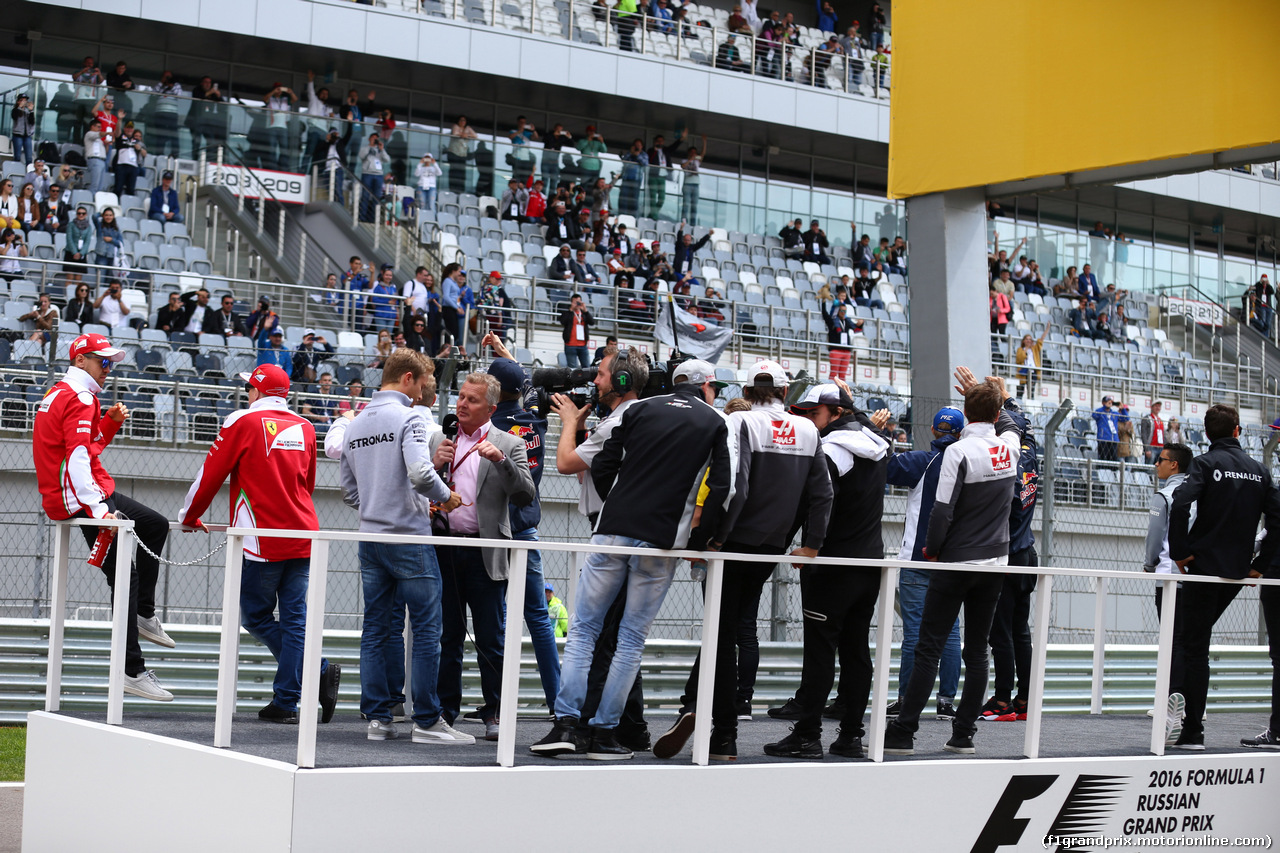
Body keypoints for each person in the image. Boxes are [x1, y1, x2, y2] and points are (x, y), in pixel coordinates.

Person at [532, 359, 732, 760]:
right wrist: (700, 538)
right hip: (662, 541)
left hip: (612, 529)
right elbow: (724, 486)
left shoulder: (642, 408)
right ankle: (605, 734)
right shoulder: (715, 421)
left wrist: (618, 504)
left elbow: (604, 463)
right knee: (630, 640)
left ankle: (566, 724)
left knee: (584, 632)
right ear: (705, 387)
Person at [657, 362, 833, 762]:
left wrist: (714, 538)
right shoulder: (808, 430)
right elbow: (822, 494)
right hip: (771, 547)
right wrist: (812, 544)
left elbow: (734, 487)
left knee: (721, 634)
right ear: (786, 391)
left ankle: (723, 735)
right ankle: (698, 707)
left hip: (733, 543)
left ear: (749, 390)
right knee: (733, 629)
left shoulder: (741, 423)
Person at [179, 363, 340, 725]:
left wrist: (189, 516)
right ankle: (287, 701)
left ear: (255, 390)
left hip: (261, 537)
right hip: (303, 532)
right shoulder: (305, 426)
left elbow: (210, 474)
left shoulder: (242, 421)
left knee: (255, 615)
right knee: (296, 621)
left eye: (249, 388)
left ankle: (318, 671)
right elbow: (308, 483)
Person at [884, 371, 1024, 757]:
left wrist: (931, 550)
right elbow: (1017, 424)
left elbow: (941, 512)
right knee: (977, 651)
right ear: (996, 415)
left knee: (929, 646)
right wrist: (1004, 397)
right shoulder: (1009, 447)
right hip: (994, 563)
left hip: (953, 563)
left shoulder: (958, 453)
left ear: (966, 412)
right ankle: (963, 734)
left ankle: (905, 730)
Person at [340, 349, 475, 744]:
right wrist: (447, 496)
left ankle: (378, 719)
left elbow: (350, 492)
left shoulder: (355, 422)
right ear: (409, 379)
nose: (421, 393)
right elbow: (420, 472)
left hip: (371, 538)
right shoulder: (412, 416)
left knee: (378, 628)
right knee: (428, 629)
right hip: (409, 537)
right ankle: (429, 721)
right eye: (421, 383)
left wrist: (378, 501)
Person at [32, 333, 174, 701]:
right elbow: (77, 459)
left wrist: (108, 424)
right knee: (125, 576)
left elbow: (86, 449)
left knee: (154, 526)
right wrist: (100, 512)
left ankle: (144, 615)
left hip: (81, 493)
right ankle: (132, 670)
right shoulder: (79, 397)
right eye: (103, 362)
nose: (108, 369)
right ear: (80, 361)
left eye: (111, 363)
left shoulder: (62, 394)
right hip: (81, 500)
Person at [548, 345, 653, 751]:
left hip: (612, 529)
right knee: (619, 634)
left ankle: (587, 724)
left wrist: (569, 422)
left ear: (623, 381)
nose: (594, 381)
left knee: (600, 634)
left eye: (602, 375)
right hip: (621, 527)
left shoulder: (620, 422)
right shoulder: (626, 418)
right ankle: (631, 725)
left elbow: (566, 463)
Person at [428, 373, 536, 740]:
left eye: (472, 400)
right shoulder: (442, 441)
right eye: (460, 397)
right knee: (448, 636)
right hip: (444, 548)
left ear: (490, 407)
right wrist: (434, 463)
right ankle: (445, 712)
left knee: (490, 637)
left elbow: (525, 496)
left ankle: (495, 713)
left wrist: (502, 461)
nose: (461, 404)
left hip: (485, 550)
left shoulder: (508, 442)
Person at [1167, 404, 1280, 751]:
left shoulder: (1204, 463)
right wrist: (1260, 563)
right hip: (1236, 571)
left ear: (1207, 433)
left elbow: (1181, 502)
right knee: (1192, 642)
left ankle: (1192, 732)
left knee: (1192, 646)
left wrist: (1178, 550)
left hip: (1203, 569)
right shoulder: (1259, 470)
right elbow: (1278, 520)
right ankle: (1182, 717)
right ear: (1237, 432)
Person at [483, 337, 561, 717]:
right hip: (527, 531)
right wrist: (505, 353)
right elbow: (525, 383)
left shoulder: (488, 426)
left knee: (494, 619)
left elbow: (519, 383)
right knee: (539, 620)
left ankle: (498, 705)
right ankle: (557, 702)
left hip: (496, 531)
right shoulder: (535, 418)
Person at [883, 407, 965, 722]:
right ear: (959, 433)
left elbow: (886, 468)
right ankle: (946, 702)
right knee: (951, 630)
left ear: (933, 430)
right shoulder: (967, 461)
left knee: (915, 631)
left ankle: (906, 698)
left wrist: (884, 435)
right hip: (954, 561)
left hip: (917, 558)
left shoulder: (921, 460)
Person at [982, 405, 1038, 722]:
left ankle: (1002, 700)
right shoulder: (1031, 454)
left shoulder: (1008, 459)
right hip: (1027, 551)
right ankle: (1026, 699)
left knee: (999, 632)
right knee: (1020, 632)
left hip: (1006, 555)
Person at [1142, 441, 1192, 742]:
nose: (1156, 464)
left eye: (1160, 460)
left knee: (1172, 641)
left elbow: (1154, 537)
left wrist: (1149, 565)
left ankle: (1172, 701)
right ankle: (1190, 700)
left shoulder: (1165, 495)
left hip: (1170, 578)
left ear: (1174, 465)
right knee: (1192, 643)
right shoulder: (1202, 492)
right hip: (1197, 577)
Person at [558, 292, 593, 369]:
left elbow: (592, 322)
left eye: (578, 302)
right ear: (571, 302)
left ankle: (586, 381)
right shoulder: (568, 313)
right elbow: (562, 321)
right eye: (575, 302)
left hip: (583, 345)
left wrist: (585, 310)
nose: (577, 304)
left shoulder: (584, 314)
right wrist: (571, 309)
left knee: (586, 367)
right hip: (570, 345)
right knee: (572, 368)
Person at [1015, 327, 1048, 399]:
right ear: (1023, 341)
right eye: (1027, 339)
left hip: (1033, 371)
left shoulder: (1034, 349)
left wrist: (1047, 329)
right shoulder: (1020, 349)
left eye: (1030, 339)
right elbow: (1019, 359)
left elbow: (1040, 341)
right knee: (1020, 390)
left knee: (1031, 390)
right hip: (1023, 371)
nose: (1028, 341)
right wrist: (1026, 349)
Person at [1092, 395, 1126, 462]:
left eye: (1110, 402)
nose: (1109, 403)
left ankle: (1113, 472)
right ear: (1103, 403)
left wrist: (1122, 409)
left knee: (1113, 459)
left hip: (1114, 440)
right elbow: (1094, 415)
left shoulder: (1114, 413)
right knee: (1103, 459)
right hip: (1103, 439)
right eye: (1107, 402)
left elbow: (1125, 418)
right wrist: (1105, 407)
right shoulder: (1100, 412)